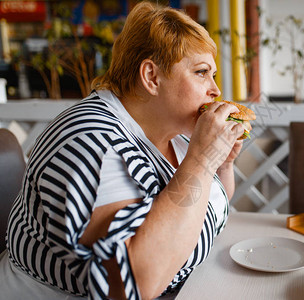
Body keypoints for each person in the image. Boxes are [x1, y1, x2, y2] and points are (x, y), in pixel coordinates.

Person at [0, 2, 245, 299]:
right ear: (152, 77)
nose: (216, 91)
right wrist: (203, 161)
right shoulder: (92, 142)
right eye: (202, 72)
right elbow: (134, 282)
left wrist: (222, 165)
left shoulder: (177, 137)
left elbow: (210, 202)